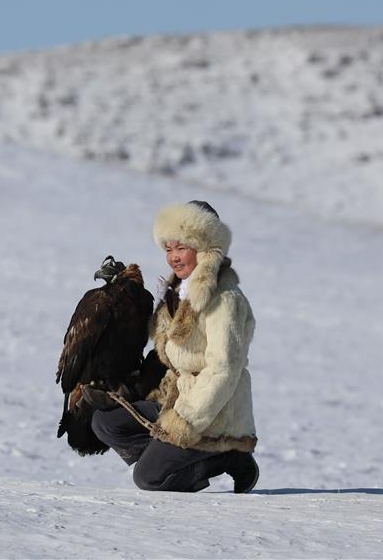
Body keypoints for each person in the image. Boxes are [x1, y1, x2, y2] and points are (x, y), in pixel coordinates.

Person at [87, 200, 259, 493]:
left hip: (211, 416)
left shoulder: (224, 299)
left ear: (205, 248)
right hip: (175, 399)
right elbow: (165, 359)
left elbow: (223, 372)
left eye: (182, 248)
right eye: (169, 249)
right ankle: (168, 460)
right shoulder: (178, 293)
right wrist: (125, 391)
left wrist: (184, 423)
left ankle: (229, 455)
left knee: (148, 479)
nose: (173, 258)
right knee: (106, 423)